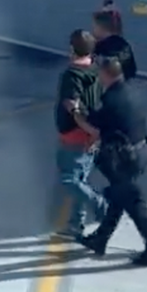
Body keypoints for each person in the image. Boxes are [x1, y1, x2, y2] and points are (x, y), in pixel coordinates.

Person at [69, 57, 147, 266]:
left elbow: (92, 127)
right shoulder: (134, 90)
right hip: (141, 151)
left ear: (105, 74)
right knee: (120, 195)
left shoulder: (110, 100)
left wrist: (76, 112)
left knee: (135, 205)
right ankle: (101, 238)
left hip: (124, 160)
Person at [54, 30, 106, 239]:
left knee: (69, 178)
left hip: (76, 135)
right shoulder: (96, 71)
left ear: (72, 49)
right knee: (80, 179)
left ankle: (99, 203)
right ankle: (76, 223)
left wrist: (78, 116)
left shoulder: (71, 75)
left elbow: (71, 104)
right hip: (92, 134)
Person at [92, 9, 138, 79]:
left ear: (100, 28)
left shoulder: (100, 47)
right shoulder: (125, 45)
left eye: (94, 27)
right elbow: (132, 70)